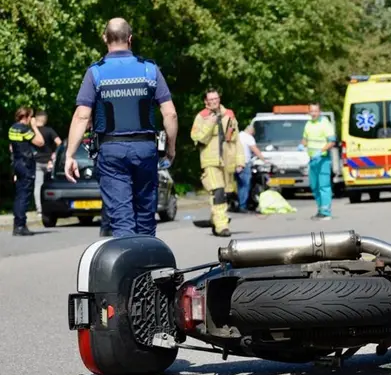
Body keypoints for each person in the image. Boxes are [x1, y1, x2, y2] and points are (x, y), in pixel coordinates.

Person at [64, 17, 178, 238]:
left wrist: (70, 154)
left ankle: (130, 269)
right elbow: (170, 113)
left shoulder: (96, 73)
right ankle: (149, 267)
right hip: (145, 149)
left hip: (111, 151)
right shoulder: (149, 70)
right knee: (146, 216)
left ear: (105, 38)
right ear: (130, 39)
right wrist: (171, 148)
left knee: (122, 218)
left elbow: (81, 116)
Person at [190, 89, 246, 236]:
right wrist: (210, 123)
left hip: (227, 160)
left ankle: (215, 219)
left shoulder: (229, 115)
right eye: (211, 99)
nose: (214, 101)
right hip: (210, 160)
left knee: (225, 193)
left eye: (216, 99)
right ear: (206, 102)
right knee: (218, 191)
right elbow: (197, 138)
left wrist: (240, 161)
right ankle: (222, 226)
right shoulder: (201, 117)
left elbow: (236, 139)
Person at [9, 107, 46, 236]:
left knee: (19, 195)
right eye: (31, 117)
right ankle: (20, 226)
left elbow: (11, 148)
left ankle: (17, 224)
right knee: (24, 196)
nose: (32, 119)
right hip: (26, 165)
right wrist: (35, 127)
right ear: (26, 117)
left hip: (17, 164)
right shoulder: (24, 129)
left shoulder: (12, 128)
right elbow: (40, 142)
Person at [299, 103, 336, 220]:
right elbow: (305, 139)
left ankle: (326, 212)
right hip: (312, 160)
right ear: (309, 112)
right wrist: (301, 145)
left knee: (324, 185)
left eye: (316, 111)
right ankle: (320, 210)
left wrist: (321, 151)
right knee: (314, 186)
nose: (314, 113)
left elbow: (332, 141)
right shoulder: (308, 124)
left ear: (319, 112)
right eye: (312, 111)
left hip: (323, 159)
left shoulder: (325, 124)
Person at [32, 110, 62, 215]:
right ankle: (53, 206)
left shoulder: (31, 131)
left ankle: (40, 209)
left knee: (38, 186)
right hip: (50, 161)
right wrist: (55, 153)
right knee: (52, 185)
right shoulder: (49, 130)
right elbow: (59, 142)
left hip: (36, 161)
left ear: (36, 119)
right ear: (45, 119)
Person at [235, 124, 265, 213]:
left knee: (240, 185)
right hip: (244, 163)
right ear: (251, 131)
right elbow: (255, 150)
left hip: (236, 162)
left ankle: (240, 203)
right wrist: (264, 160)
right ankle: (243, 205)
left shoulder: (238, 136)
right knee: (246, 185)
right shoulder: (249, 137)